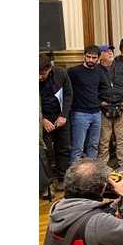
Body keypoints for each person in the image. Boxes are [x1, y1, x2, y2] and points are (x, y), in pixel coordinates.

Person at [68, 46, 108, 162]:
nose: (90, 60)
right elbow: (66, 90)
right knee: (78, 148)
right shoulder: (73, 71)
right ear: (84, 56)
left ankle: (90, 175)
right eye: (88, 57)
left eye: (93, 57)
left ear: (98, 58)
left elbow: (104, 88)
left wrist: (100, 101)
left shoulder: (99, 72)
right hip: (80, 113)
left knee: (94, 145)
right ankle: (75, 177)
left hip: (96, 113)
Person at [97, 44, 123, 167]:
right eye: (106, 51)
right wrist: (99, 103)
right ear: (100, 55)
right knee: (104, 138)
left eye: (111, 50)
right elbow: (93, 89)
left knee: (122, 137)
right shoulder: (96, 70)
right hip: (103, 107)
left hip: (122, 105)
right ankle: (102, 164)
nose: (110, 52)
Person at [40, 54, 73, 189]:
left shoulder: (61, 73)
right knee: (45, 151)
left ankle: (62, 179)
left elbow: (68, 94)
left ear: (50, 68)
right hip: (42, 118)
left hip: (60, 117)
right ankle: (47, 184)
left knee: (64, 148)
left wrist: (63, 115)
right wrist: (41, 120)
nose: (39, 77)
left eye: (42, 73)